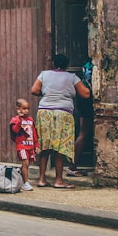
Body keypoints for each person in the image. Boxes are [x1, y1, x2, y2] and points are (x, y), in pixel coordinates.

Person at [30, 53, 90, 189]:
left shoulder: (44, 75)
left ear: (53, 64)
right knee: (60, 148)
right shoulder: (72, 77)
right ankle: (58, 180)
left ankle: (41, 179)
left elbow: (34, 90)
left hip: (44, 112)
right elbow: (85, 94)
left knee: (45, 146)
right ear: (67, 65)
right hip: (63, 113)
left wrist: (47, 93)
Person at [10, 98, 39, 192]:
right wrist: (19, 120)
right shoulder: (15, 120)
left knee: (27, 164)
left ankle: (21, 177)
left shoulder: (30, 120)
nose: (26, 111)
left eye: (28, 109)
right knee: (25, 162)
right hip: (21, 146)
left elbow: (34, 133)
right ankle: (26, 183)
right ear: (18, 109)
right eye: (24, 108)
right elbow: (15, 130)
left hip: (30, 145)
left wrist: (36, 145)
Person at [71, 61, 93, 177]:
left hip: (82, 101)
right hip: (87, 101)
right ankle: (72, 166)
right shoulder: (92, 65)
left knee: (83, 134)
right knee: (83, 134)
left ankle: (73, 165)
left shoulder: (86, 65)